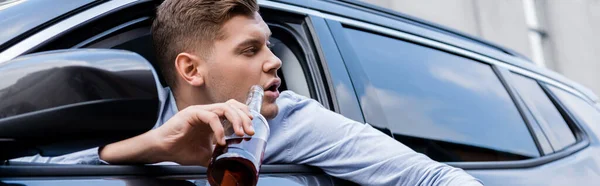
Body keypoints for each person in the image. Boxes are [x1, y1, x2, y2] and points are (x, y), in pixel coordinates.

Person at [16, 0, 483, 185]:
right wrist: (147, 147)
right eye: (250, 49)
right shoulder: (128, 114)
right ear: (191, 69)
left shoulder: (290, 118)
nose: (274, 60)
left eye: (272, 46)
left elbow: (434, 180)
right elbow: (22, 172)